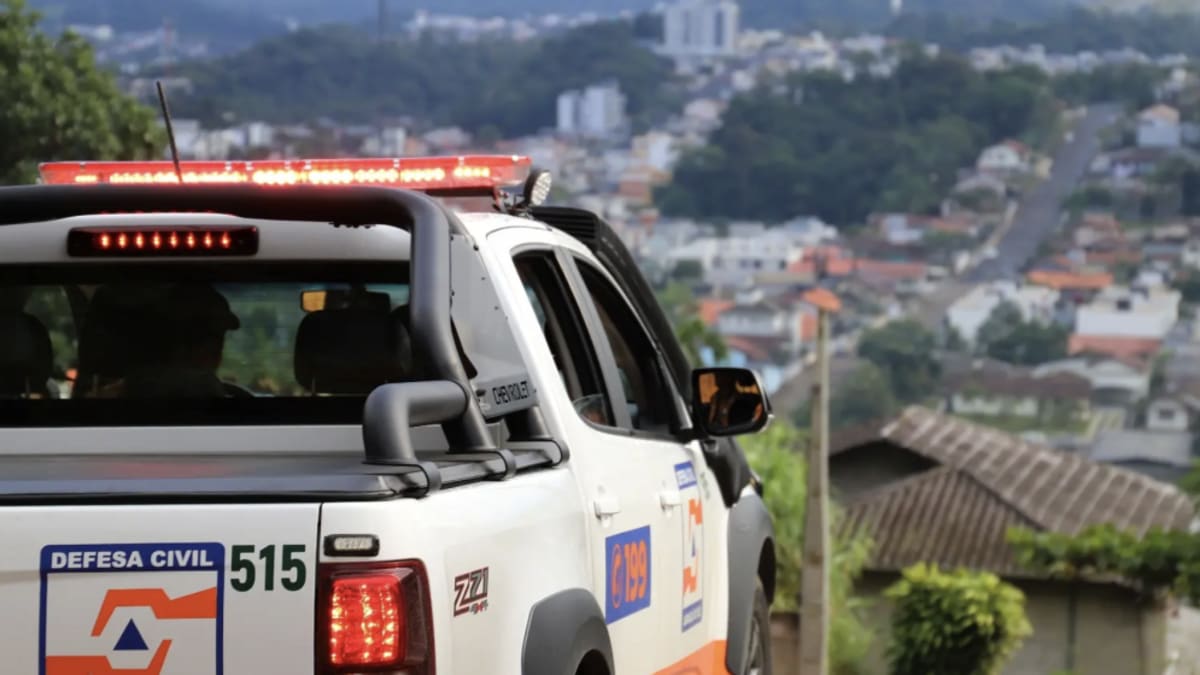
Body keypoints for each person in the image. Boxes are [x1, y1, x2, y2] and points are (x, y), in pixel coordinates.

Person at [120, 283, 241, 398]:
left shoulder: (131, 385)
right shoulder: (203, 386)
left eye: (219, 336)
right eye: (210, 335)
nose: (219, 350)